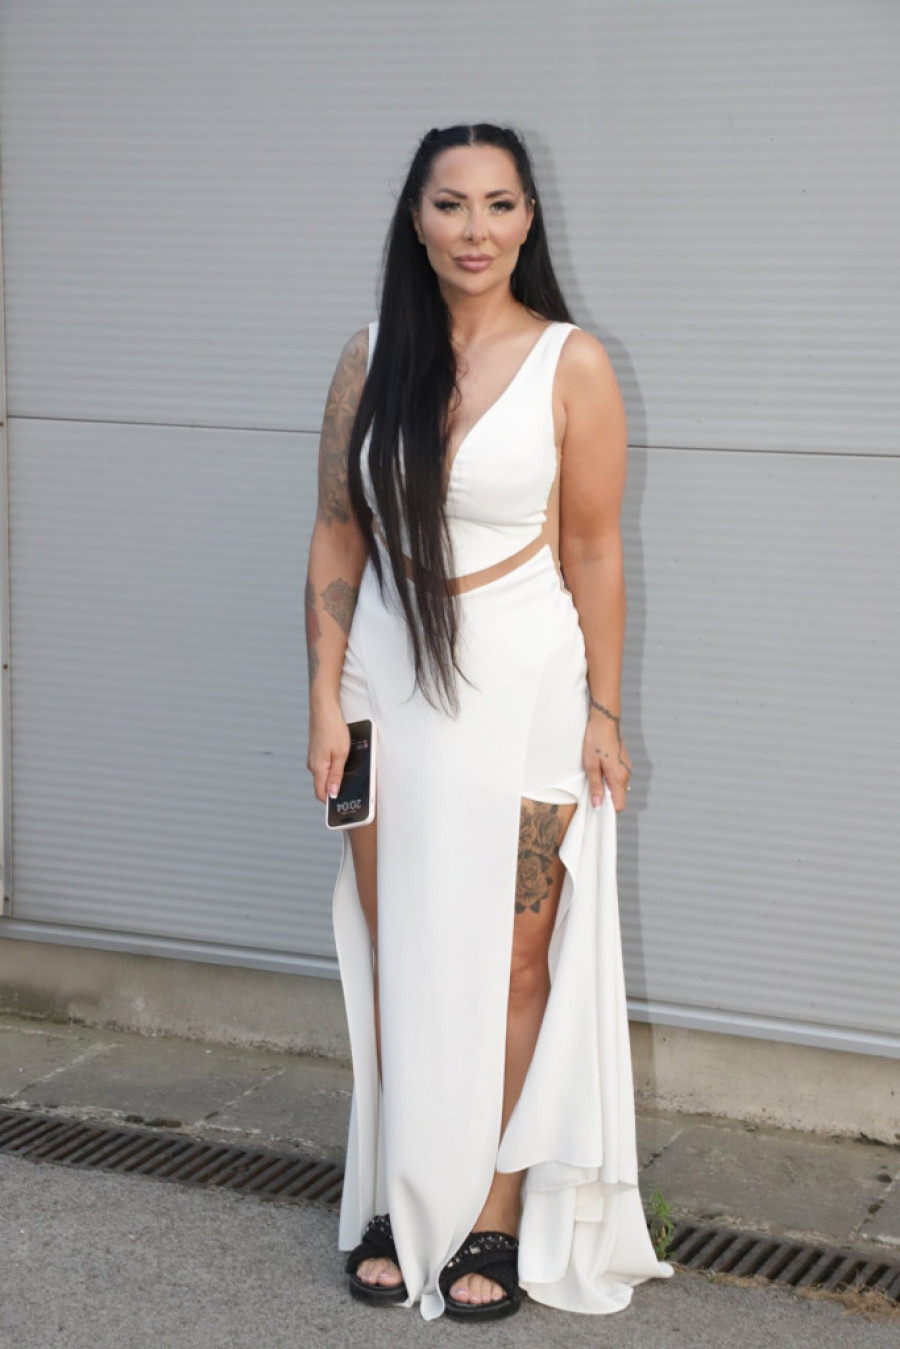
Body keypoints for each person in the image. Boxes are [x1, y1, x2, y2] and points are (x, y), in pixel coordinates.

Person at [305, 123, 673, 1322]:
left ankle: (494, 1211)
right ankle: (394, 1188)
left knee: (518, 958)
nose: (476, 229)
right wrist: (323, 695)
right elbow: (337, 532)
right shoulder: (368, 357)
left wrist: (605, 710)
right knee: (396, 944)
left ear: (529, 220)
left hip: (527, 690)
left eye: (499, 204)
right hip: (385, 685)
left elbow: (596, 548)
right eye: (451, 203)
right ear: (415, 219)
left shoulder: (574, 361)